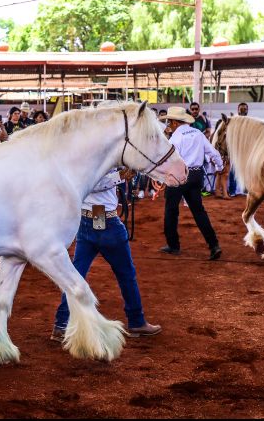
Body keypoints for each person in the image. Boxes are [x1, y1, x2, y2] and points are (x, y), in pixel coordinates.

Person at [50, 167, 161, 342]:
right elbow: (94, 183)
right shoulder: (97, 155)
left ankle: (61, 324)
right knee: (126, 275)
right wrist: (121, 175)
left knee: (75, 275)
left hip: (87, 219)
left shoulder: (84, 153)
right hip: (105, 222)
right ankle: (136, 321)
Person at [158, 107, 223, 260]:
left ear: (175, 122)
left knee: (171, 210)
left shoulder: (175, 138)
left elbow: (169, 160)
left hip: (179, 175)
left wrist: (161, 176)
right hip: (196, 175)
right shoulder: (198, 133)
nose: (168, 124)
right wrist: (219, 167)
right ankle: (213, 245)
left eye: (169, 121)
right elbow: (213, 153)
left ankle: (173, 245)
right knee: (199, 211)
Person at [211, 120, 231, 200]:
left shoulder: (216, 134)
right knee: (224, 174)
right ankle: (224, 193)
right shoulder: (220, 134)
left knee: (220, 174)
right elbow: (217, 146)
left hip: (219, 156)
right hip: (221, 156)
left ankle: (218, 192)